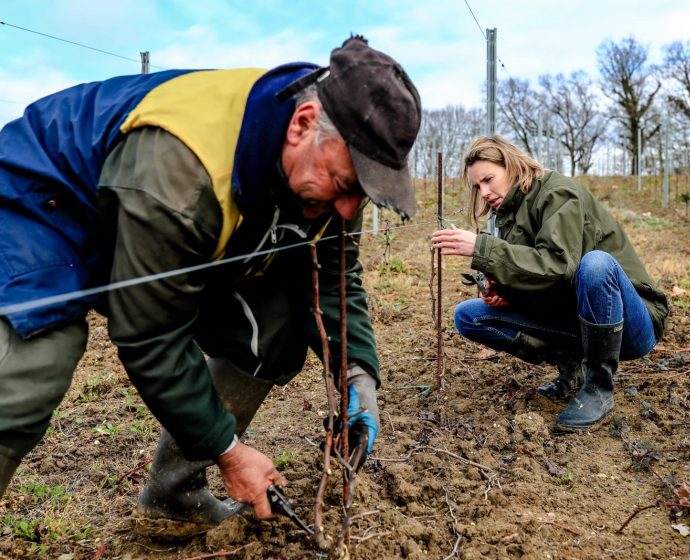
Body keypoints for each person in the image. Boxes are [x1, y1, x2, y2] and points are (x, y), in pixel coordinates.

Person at [0, 35, 421, 523]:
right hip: (42, 200)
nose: (349, 208)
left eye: (363, 194)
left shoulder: (320, 170)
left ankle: (172, 499)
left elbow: (332, 274)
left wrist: (357, 374)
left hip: (154, 221)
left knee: (273, 328)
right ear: (303, 125)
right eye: (347, 185)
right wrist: (229, 451)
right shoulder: (182, 169)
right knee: (33, 357)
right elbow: (151, 333)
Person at [431, 136, 668, 431]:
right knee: (470, 316)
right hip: (579, 320)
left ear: (512, 165)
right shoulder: (510, 214)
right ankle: (570, 366)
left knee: (596, 264)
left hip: (632, 324)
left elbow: (558, 268)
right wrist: (505, 293)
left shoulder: (557, 193)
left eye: (489, 179)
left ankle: (599, 386)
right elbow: (541, 280)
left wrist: (482, 248)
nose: (485, 192)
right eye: (477, 186)